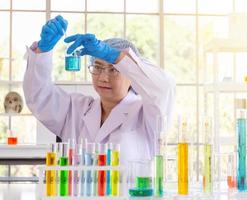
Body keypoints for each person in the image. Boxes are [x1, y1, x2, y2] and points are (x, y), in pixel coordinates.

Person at [23, 15, 175, 165]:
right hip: (78, 190)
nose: (103, 77)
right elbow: (38, 96)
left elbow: (163, 89)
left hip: (129, 190)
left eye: (113, 69)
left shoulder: (146, 115)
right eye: (98, 67)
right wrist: (43, 51)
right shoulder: (75, 109)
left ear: (131, 75)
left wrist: (114, 56)